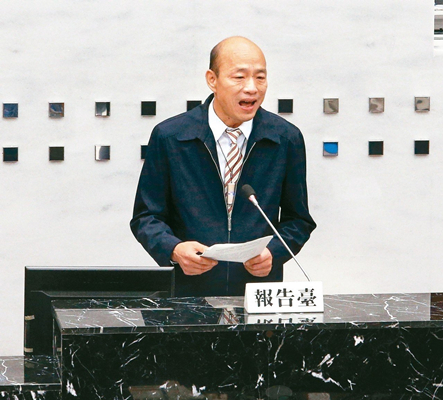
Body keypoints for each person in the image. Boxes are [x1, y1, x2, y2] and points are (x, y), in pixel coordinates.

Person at [130, 36, 316, 297]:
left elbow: (298, 220)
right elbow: (146, 217)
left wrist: (274, 252)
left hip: (257, 294)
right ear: (212, 80)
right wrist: (174, 249)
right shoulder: (171, 137)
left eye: (260, 78)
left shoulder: (285, 138)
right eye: (239, 77)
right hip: (188, 292)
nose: (252, 88)